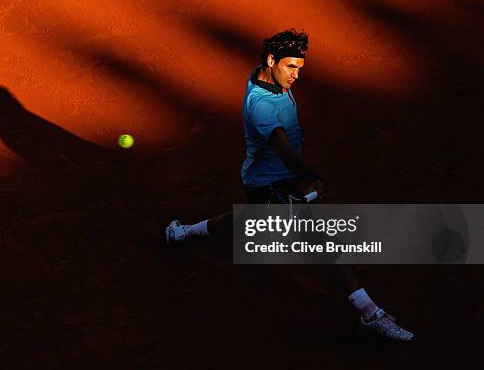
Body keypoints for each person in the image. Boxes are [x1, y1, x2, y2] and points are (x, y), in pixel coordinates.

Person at [164, 29, 413, 342]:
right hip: (272, 185)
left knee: (248, 224)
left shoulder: (269, 77)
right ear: (271, 61)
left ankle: (184, 231)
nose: (296, 75)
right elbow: (281, 145)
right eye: (290, 67)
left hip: (280, 179)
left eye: (299, 68)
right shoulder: (261, 104)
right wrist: (308, 175)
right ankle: (369, 313)